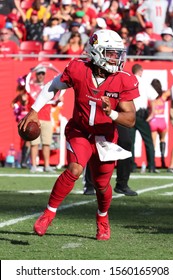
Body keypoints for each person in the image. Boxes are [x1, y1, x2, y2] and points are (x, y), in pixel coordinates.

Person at [18, 29, 139, 240]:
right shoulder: (77, 68)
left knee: (102, 185)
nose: (115, 58)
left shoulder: (123, 79)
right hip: (80, 131)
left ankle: (102, 218)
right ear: (96, 52)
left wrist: (111, 112)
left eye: (117, 53)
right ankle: (48, 213)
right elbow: (53, 86)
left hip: (105, 137)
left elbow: (130, 120)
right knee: (74, 168)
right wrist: (34, 110)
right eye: (110, 53)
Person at [83, 125, 138, 196]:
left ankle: (122, 184)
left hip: (117, 117)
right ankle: (89, 185)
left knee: (125, 142)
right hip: (101, 118)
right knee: (96, 142)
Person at [26, 65, 55, 173]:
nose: (41, 75)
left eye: (43, 73)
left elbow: (54, 101)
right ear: (36, 74)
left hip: (47, 118)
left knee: (47, 143)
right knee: (34, 144)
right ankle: (33, 165)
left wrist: (58, 100)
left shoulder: (49, 87)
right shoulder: (31, 87)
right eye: (39, 73)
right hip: (35, 119)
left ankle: (47, 165)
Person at [130, 63, 159, 173]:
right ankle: (151, 166)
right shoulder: (144, 82)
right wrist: (153, 113)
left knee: (130, 142)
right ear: (140, 71)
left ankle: (130, 166)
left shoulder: (129, 80)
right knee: (148, 141)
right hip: (142, 115)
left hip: (130, 114)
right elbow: (153, 97)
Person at [147, 79, 170, 168]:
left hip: (153, 120)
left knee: (152, 143)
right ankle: (163, 160)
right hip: (162, 120)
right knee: (163, 140)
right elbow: (171, 91)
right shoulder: (163, 95)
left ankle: (153, 163)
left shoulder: (151, 96)